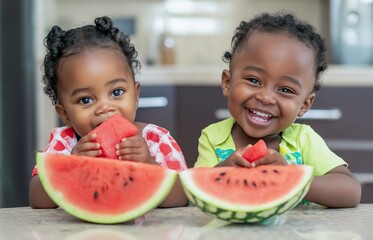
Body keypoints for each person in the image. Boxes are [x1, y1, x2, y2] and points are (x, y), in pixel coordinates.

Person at [194, 12, 361, 208]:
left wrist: (294, 179)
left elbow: (351, 191)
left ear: (304, 105)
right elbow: (197, 193)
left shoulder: (303, 140)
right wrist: (221, 173)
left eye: (285, 90)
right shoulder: (213, 138)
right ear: (228, 83)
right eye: (254, 80)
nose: (265, 97)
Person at [29, 16, 188, 209]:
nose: (105, 107)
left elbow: (182, 197)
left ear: (136, 96)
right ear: (64, 114)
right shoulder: (64, 144)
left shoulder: (156, 140)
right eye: (85, 100)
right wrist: (71, 168)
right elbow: (36, 198)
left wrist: (149, 165)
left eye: (116, 92)